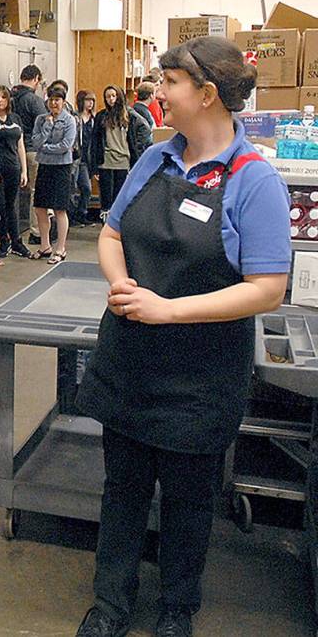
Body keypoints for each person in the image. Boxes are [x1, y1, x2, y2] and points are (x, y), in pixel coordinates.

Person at [73, 36, 291, 637]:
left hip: (200, 376)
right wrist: (120, 284)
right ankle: (110, 604)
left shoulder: (254, 180)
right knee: (122, 491)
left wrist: (168, 310)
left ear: (207, 93)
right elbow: (112, 234)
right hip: (130, 362)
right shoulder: (154, 159)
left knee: (189, 502)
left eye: (169, 83)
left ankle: (176, 609)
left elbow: (267, 288)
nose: (158, 93)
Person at [90, 85, 152, 223]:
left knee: (120, 195)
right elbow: (95, 141)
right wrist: (94, 166)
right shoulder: (101, 116)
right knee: (106, 197)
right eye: (108, 96)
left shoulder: (128, 115)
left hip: (124, 160)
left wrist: (137, 148)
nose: (111, 99)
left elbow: (145, 128)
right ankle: (106, 223)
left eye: (114, 95)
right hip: (106, 160)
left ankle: (117, 223)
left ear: (119, 96)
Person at [30, 85, 76, 264]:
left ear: (63, 102)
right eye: (51, 100)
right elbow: (35, 142)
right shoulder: (41, 120)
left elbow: (65, 146)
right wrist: (47, 127)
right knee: (40, 207)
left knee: (59, 209)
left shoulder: (69, 120)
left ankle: (60, 248)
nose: (54, 103)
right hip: (44, 166)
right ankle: (45, 245)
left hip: (61, 167)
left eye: (57, 100)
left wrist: (45, 148)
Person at [0, 85, 31, 259]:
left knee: (12, 205)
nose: (0, 101)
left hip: (13, 167)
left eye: (3, 97)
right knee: (0, 205)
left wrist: (24, 170)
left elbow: (20, 145)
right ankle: (3, 240)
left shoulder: (15, 118)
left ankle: (17, 241)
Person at [11, 64, 47, 240]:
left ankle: (10, 232)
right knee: (36, 192)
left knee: (11, 193)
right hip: (32, 149)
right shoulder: (34, 101)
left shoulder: (9, 97)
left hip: (11, 150)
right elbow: (45, 125)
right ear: (36, 79)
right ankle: (36, 231)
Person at [72, 90, 97, 226]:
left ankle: (81, 213)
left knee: (87, 188)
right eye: (88, 100)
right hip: (75, 157)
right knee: (71, 187)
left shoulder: (94, 119)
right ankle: (71, 216)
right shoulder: (75, 118)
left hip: (86, 159)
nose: (90, 103)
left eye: (92, 100)